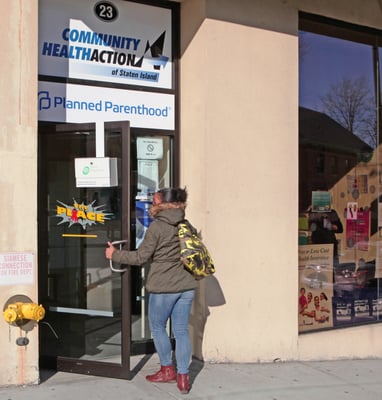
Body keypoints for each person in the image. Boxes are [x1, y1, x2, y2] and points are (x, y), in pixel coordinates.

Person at [105, 187, 197, 394]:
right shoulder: (186, 224)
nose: (151, 205)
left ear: (164, 204)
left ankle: (167, 370)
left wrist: (114, 254)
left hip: (164, 288)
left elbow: (140, 257)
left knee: (157, 327)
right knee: (181, 331)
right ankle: (183, 378)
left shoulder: (157, 227)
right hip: (187, 286)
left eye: (154, 202)